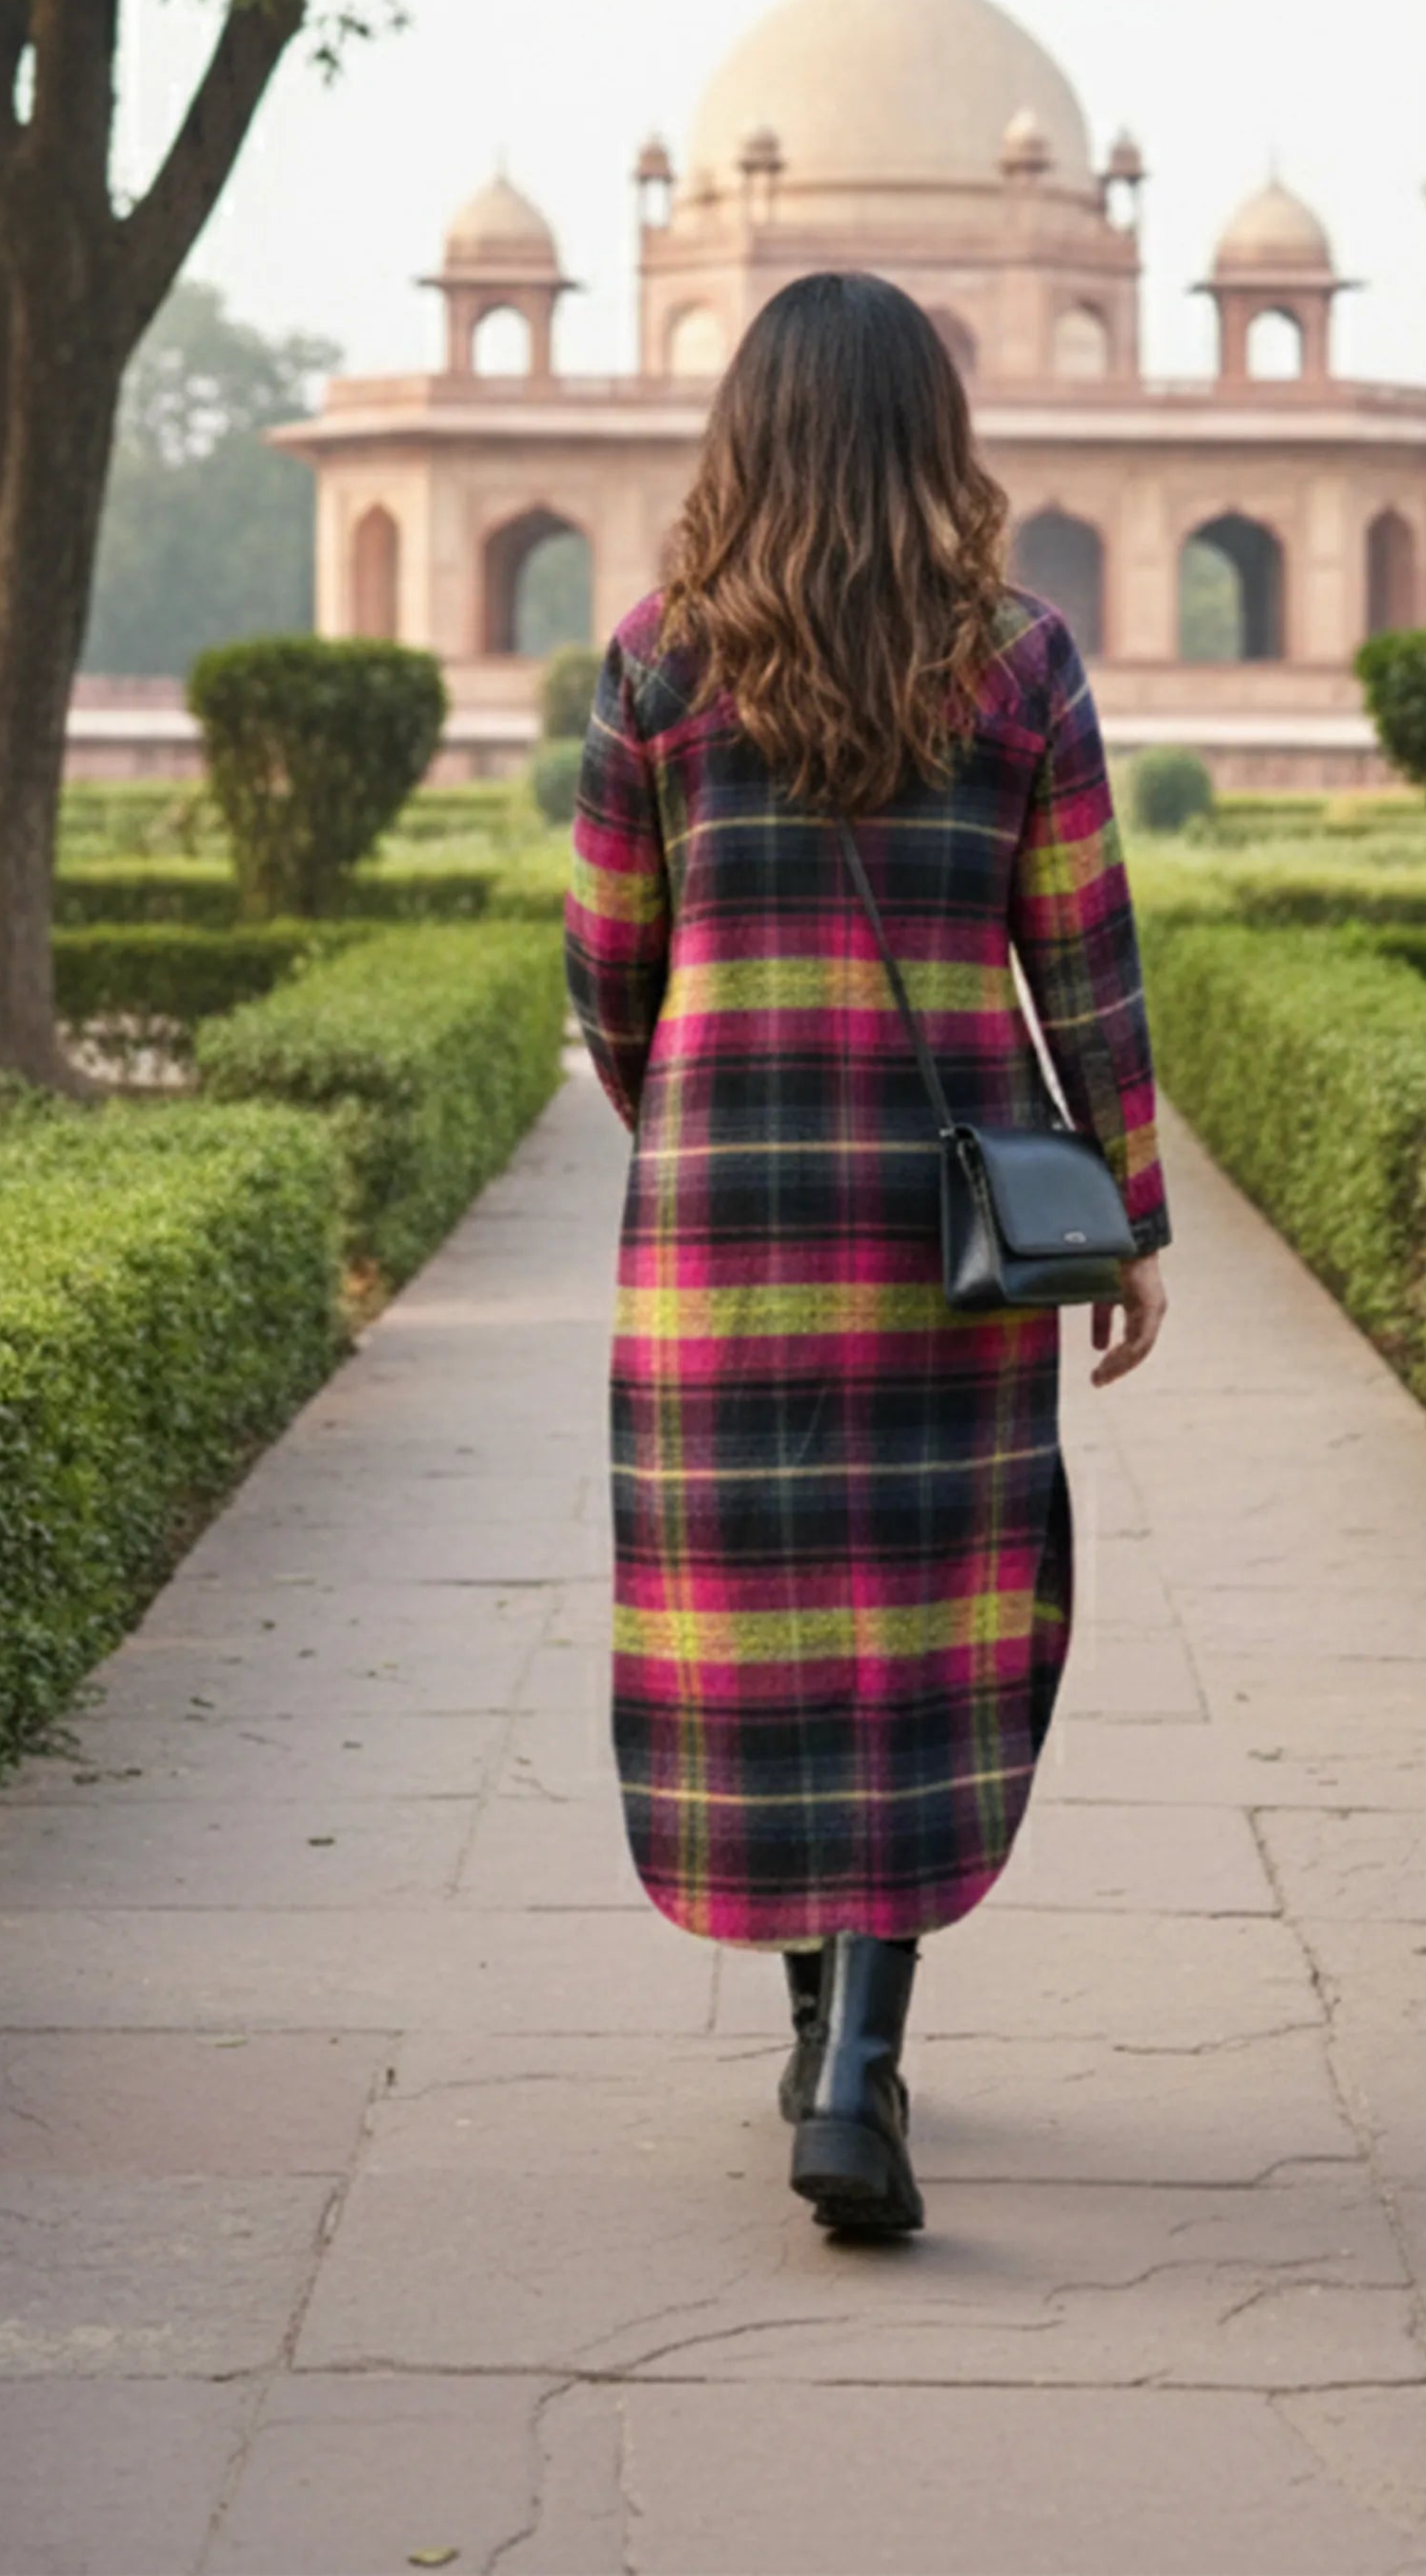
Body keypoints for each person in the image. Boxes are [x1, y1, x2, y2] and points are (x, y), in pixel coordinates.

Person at [564, 270, 1170, 2240]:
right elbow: (1081, 953)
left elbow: (606, 971)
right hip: (942, 1227)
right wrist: (1129, 1221)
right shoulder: (1015, 661)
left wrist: (697, 1114)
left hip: (724, 1224)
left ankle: (823, 2038)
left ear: (741, 429)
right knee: (921, 1624)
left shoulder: (658, 663)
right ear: (939, 433)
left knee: (756, 1627)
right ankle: (855, 2064)